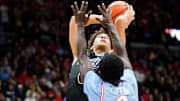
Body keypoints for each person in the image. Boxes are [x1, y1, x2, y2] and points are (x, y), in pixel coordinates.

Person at [66, 1, 135, 101]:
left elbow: (119, 43)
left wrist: (115, 22)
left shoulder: (112, 58)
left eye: (107, 38)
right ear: (91, 47)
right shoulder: (78, 56)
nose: (103, 36)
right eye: (99, 37)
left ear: (111, 48)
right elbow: (74, 21)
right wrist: (101, 19)